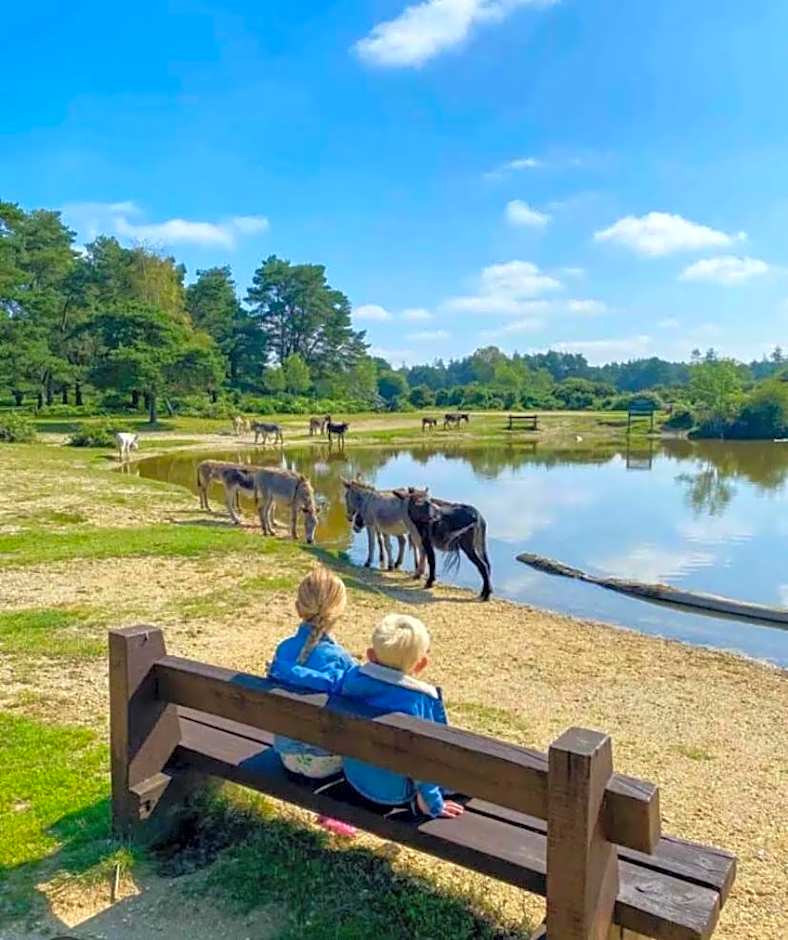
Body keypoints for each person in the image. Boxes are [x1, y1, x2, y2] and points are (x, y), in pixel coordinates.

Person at [340, 613, 464, 819]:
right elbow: (425, 759)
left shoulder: (352, 682)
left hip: (357, 777)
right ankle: (420, 802)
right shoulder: (419, 700)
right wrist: (433, 803)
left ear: (370, 655)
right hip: (396, 792)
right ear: (421, 664)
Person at [267, 565, 357, 836]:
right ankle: (337, 813)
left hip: (286, 755)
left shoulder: (283, 651)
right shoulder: (341, 660)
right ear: (339, 611)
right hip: (326, 764)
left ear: (298, 608)